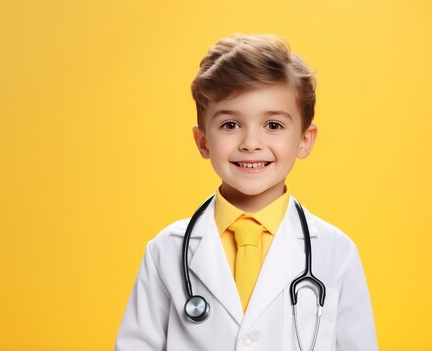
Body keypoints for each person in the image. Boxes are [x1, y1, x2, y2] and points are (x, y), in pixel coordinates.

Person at [115, 33, 379, 351]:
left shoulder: (336, 253)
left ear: (304, 140)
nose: (251, 143)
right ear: (203, 141)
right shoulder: (166, 252)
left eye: (273, 125)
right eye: (230, 125)